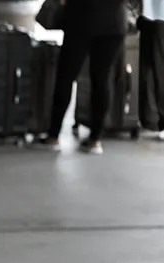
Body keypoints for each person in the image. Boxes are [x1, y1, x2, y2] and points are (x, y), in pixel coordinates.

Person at [41, 0, 129, 154]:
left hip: (81, 19)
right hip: (114, 22)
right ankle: (95, 140)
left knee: (66, 77)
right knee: (102, 79)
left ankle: (53, 137)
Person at [138, 0, 164, 139]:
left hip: (151, 15)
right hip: (153, 16)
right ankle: (151, 119)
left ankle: (151, 119)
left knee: (151, 69)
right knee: (152, 69)